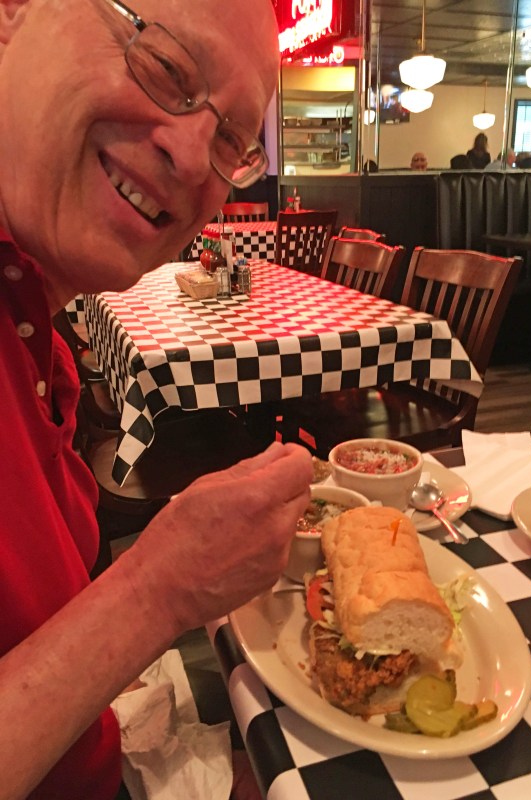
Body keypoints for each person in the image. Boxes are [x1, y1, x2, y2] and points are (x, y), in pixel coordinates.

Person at [0, 1, 313, 798]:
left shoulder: (39, 325)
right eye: (168, 67)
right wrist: (158, 586)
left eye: (233, 142)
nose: (191, 152)